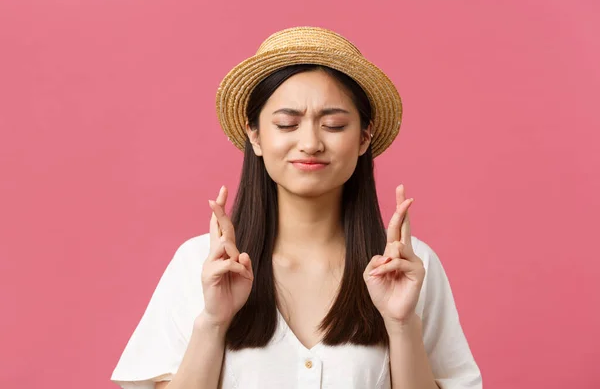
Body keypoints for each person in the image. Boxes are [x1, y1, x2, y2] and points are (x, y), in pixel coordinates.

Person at [110, 26, 482, 389]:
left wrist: (401, 326)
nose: (310, 143)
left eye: (334, 125)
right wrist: (213, 322)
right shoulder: (199, 265)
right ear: (254, 135)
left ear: (364, 137)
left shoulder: (411, 267)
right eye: (287, 124)